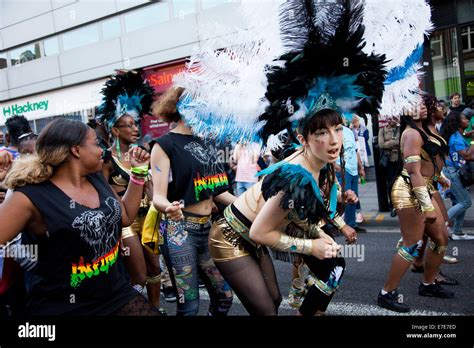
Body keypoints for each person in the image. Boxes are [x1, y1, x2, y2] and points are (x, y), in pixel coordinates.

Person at [0, 119, 159, 316]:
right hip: (65, 306)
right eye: (96, 143)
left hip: (114, 293)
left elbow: (125, 216)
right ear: (76, 150)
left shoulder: (96, 177)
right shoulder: (30, 197)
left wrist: (138, 172)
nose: (103, 149)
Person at [150, 87, 235, 316]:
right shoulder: (164, 145)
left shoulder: (207, 143)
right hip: (179, 230)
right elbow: (157, 196)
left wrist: (249, 204)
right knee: (189, 307)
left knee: (225, 297)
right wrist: (168, 207)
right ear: (182, 107)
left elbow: (217, 191)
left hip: (208, 229)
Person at [378, 103, 455, 313]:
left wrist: (440, 177)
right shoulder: (411, 133)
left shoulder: (422, 130)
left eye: (422, 105)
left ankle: (428, 284)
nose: (421, 109)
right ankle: (387, 293)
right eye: (414, 106)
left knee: (441, 238)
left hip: (426, 187)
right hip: (409, 191)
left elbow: (429, 161)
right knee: (412, 243)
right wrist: (427, 206)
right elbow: (413, 172)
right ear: (405, 110)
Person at [98, 70, 164, 310]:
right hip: (125, 222)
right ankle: (132, 309)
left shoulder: (142, 154)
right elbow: (104, 193)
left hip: (148, 218)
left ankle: (155, 308)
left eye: (136, 124)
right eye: (128, 125)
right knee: (138, 275)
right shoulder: (106, 159)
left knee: (155, 268)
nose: (135, 128)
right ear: (115, 130)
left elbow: (153, 186)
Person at [409, 94, 458, 285]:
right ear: (430, 110)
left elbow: (431, 160)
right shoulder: (419, 132)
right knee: (441, 230)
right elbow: (416, 167)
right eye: (437, 105)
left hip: (433, 183)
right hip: (425, 186)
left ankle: (419, 261)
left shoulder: (431, 129)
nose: (441, 107)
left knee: (428, 231)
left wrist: (441, 177)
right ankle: (432, 276)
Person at [440, 111, 474, 240]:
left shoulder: (458, 135)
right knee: (465, 202)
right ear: (458, 123)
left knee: (460, 201)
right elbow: (467, 155)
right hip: (451, 174)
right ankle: (439, 224)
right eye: (465, 119)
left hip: (454, 172)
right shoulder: (455, 138)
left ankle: (457, 232)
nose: (468, 121)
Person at [335, 125, 367, 233]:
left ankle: (351, 224)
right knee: (343, 198)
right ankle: (338, 225)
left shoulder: (348, 131)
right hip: (343, 170)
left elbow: (355, 150)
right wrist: (335, 166)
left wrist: (361, 167)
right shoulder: (333, 131)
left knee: (352, 198)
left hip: (354, 170)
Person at [378, 116, 401, 212]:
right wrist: (394, 143)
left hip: (400, 160)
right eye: (389, 118)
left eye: (393, 118)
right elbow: (381, 144)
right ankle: (393, 204)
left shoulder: (400, 129)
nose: (391, 120)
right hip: (389, 160)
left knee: (401, 182)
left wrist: (389, 142)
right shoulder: (382, 130)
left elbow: (401, 142)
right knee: (391, 183)